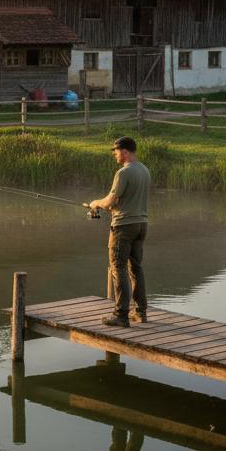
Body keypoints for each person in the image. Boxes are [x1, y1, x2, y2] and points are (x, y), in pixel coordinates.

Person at [83, 136, 150, 327]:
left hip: (123, 227)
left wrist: (96, 203)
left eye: (116, 151)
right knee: (136, 268)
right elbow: (127, 201)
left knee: (118, 267)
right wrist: (110, 208)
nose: (114, 154)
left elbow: (112, 200)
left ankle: (121, 315)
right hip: (141, 225)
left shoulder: (123, 173)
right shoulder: (145, 170)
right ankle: (141, 312)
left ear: (125, 151)